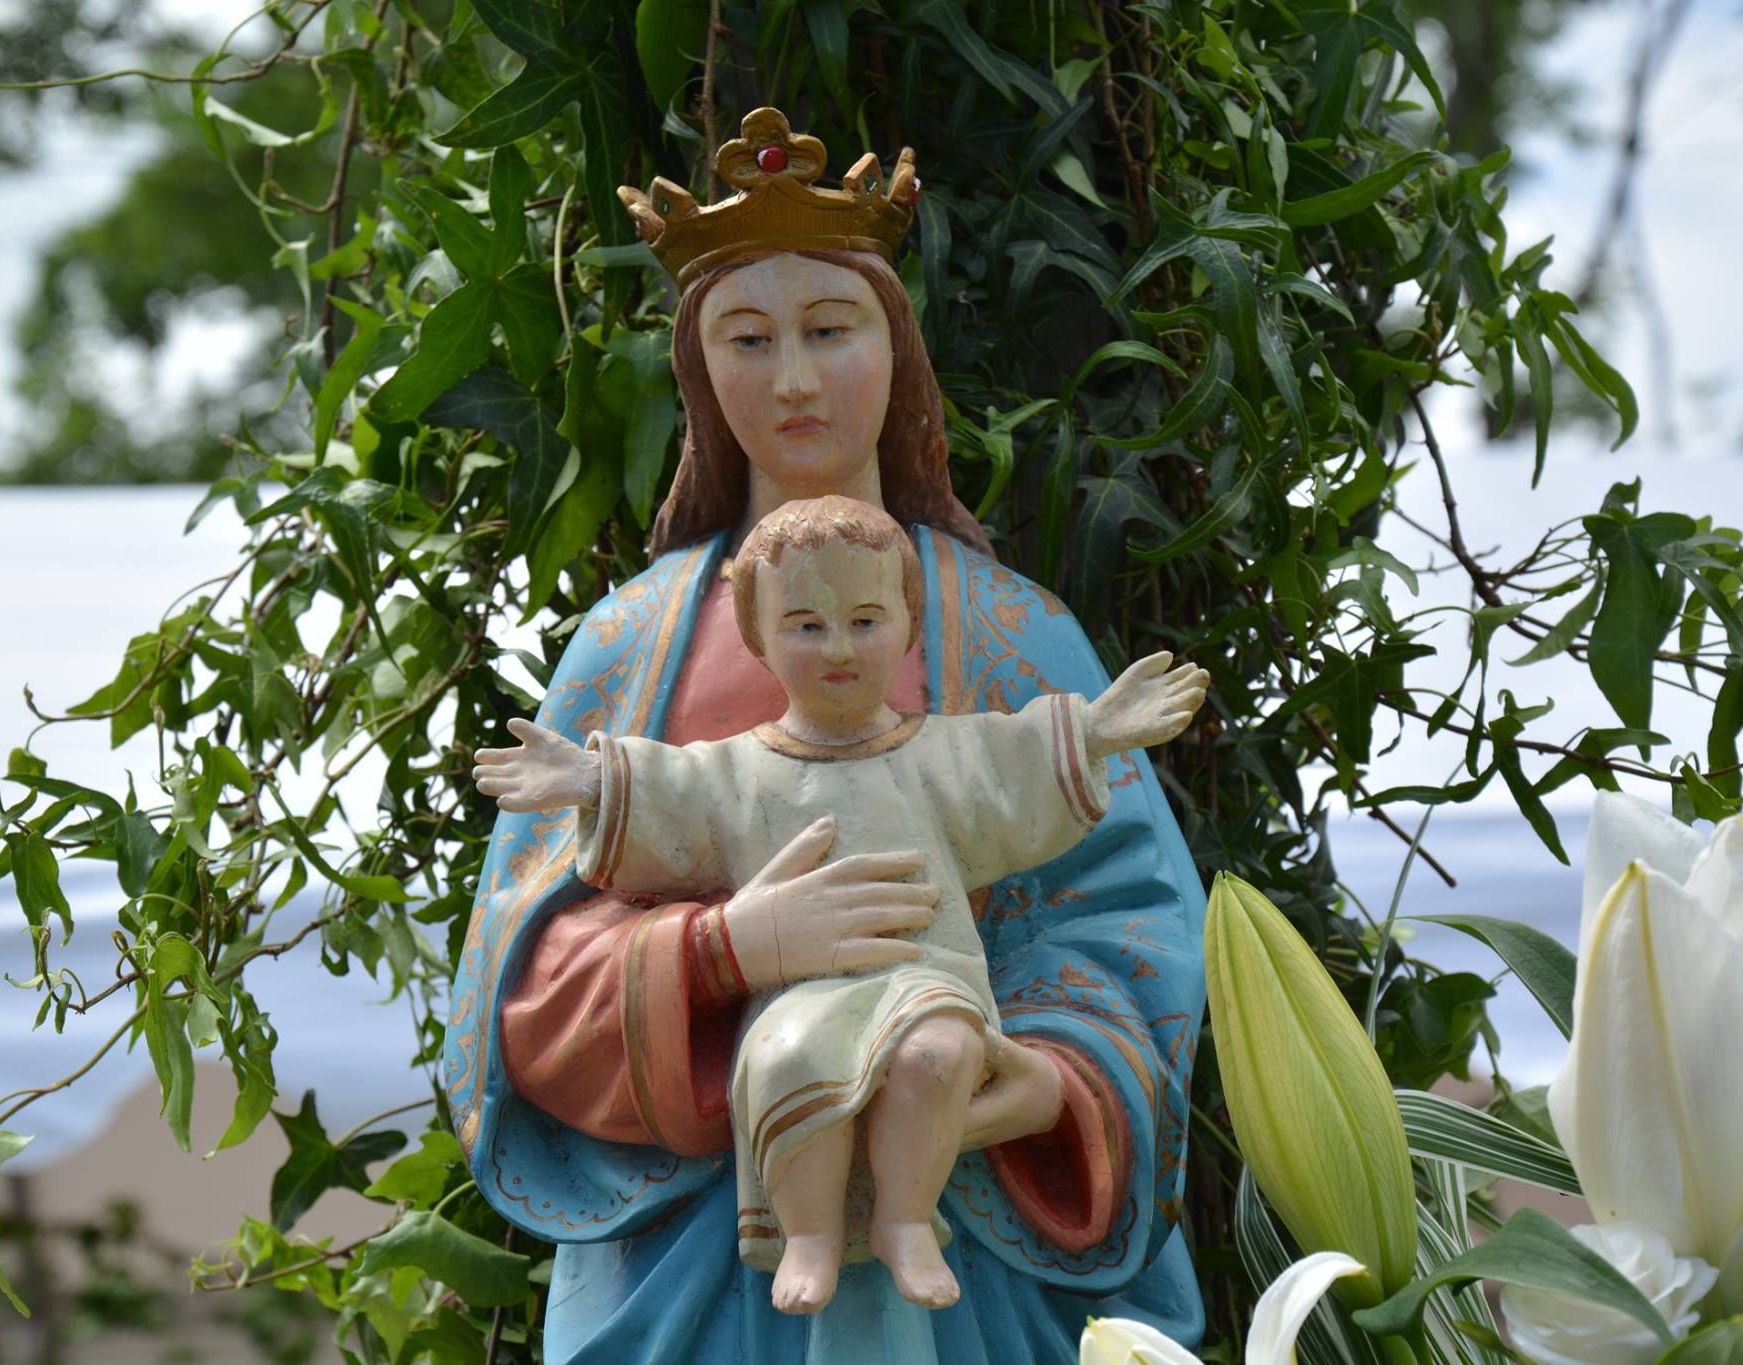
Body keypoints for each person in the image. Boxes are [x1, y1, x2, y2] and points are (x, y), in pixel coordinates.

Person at [441, 107, 1211, 1363]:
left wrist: (1044, 1085)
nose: (793, 380)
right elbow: (519, 973)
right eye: (749, 340)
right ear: (700, 376)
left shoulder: (1015, 637)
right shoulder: (628, 646)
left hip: (971, 1233)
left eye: (830, 330)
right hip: (697, 1257)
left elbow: (1129, 923)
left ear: (895, 355)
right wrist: (719, 952)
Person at [470, 496, 1209, 1316]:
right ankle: (808, 1235)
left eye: (865, 620)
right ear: (760, 637)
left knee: (935, 1056)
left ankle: (904, 1219)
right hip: (797, 1015)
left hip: (928, 984)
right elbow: (673, 795)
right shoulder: (722, 741)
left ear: (906, 619)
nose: (795, 380)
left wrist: (1095, 730)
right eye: (807, 627)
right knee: (785, 1062)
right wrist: (707, 928)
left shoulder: (949, 727)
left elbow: (1015, 766)